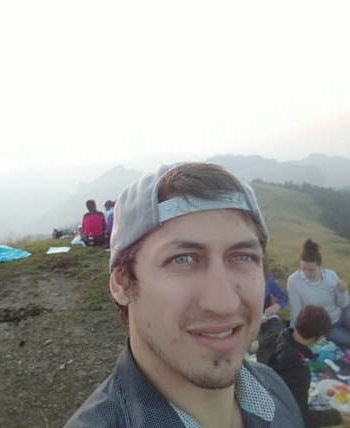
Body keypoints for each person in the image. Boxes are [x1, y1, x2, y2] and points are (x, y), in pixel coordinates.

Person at [64, 162, 303, 427]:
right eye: (182, 259)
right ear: (122, 283)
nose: (224, 304)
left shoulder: (276, 388)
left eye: (243, 257)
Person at [266, 304, 350, 428]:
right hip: (276, 420)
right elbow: (299, 417)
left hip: (267, 405)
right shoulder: (298, 369)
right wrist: (336, 416)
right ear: (318, 338)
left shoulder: (278, 337)